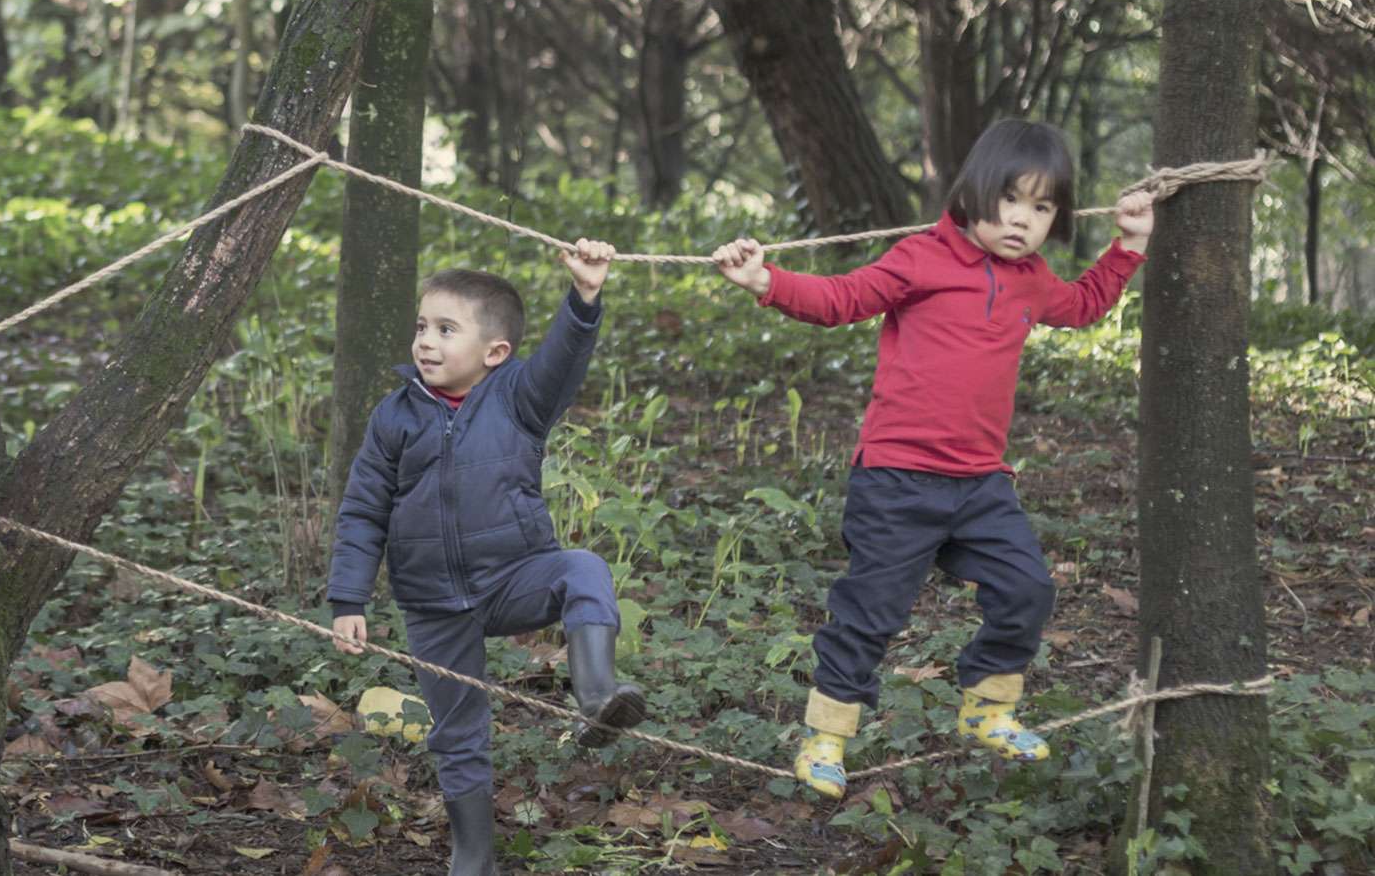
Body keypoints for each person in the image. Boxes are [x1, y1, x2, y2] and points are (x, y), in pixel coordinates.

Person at [710, 119, 1155, 798]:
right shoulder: (921, 257)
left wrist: (1130, 244)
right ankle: (826, 736)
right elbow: (841, 300)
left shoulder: (1031, 280)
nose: (1023, 221)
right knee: (872, 611)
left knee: (1028, 588)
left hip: (980, 486)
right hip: (895, 480)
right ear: (976, 191)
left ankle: (988, 707)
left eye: (1042, 208)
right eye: (1012, 199)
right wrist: (763, 279)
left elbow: (1086, 304)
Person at [328, 241, 646, 876]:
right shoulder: (394, 417)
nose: (426, 342)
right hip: (432, 604)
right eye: (422, 326)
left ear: (494, 353)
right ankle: (473, 856)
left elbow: (563, 362)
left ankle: (596, 695)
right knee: (457, 732)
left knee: (583, 567)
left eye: (447, 330)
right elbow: (363, 510)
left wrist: (584, 298)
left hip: (511, 579)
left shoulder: (519, 402)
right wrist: (349, 600)